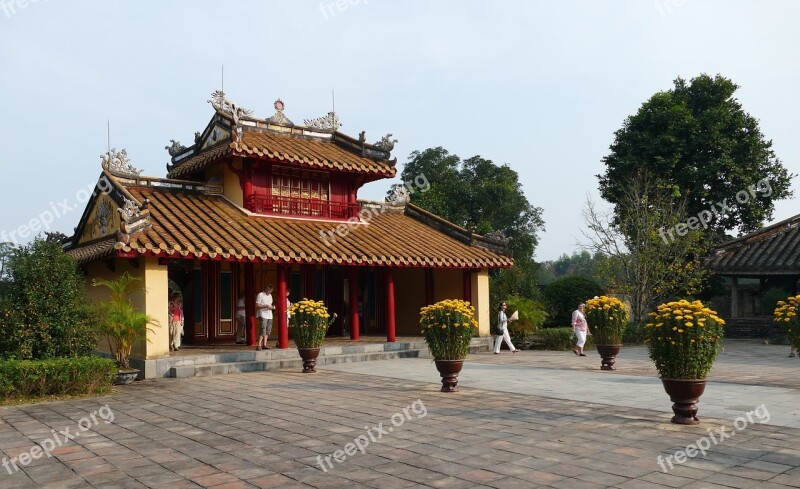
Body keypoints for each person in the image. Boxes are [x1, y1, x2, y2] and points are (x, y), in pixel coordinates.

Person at [256, 284, 275, 350]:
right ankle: (259, 345)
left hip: (269, 314)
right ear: (266, 289)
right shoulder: (260, 294)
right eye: (269, 290)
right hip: (262, 314)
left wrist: (272, 307)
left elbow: (271, 304)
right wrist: (265, 306)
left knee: (268, 330)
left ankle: (264, 344)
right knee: (263, 328)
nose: (270, 292)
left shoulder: (270, 295)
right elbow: (257, 305)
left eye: (271, 291)